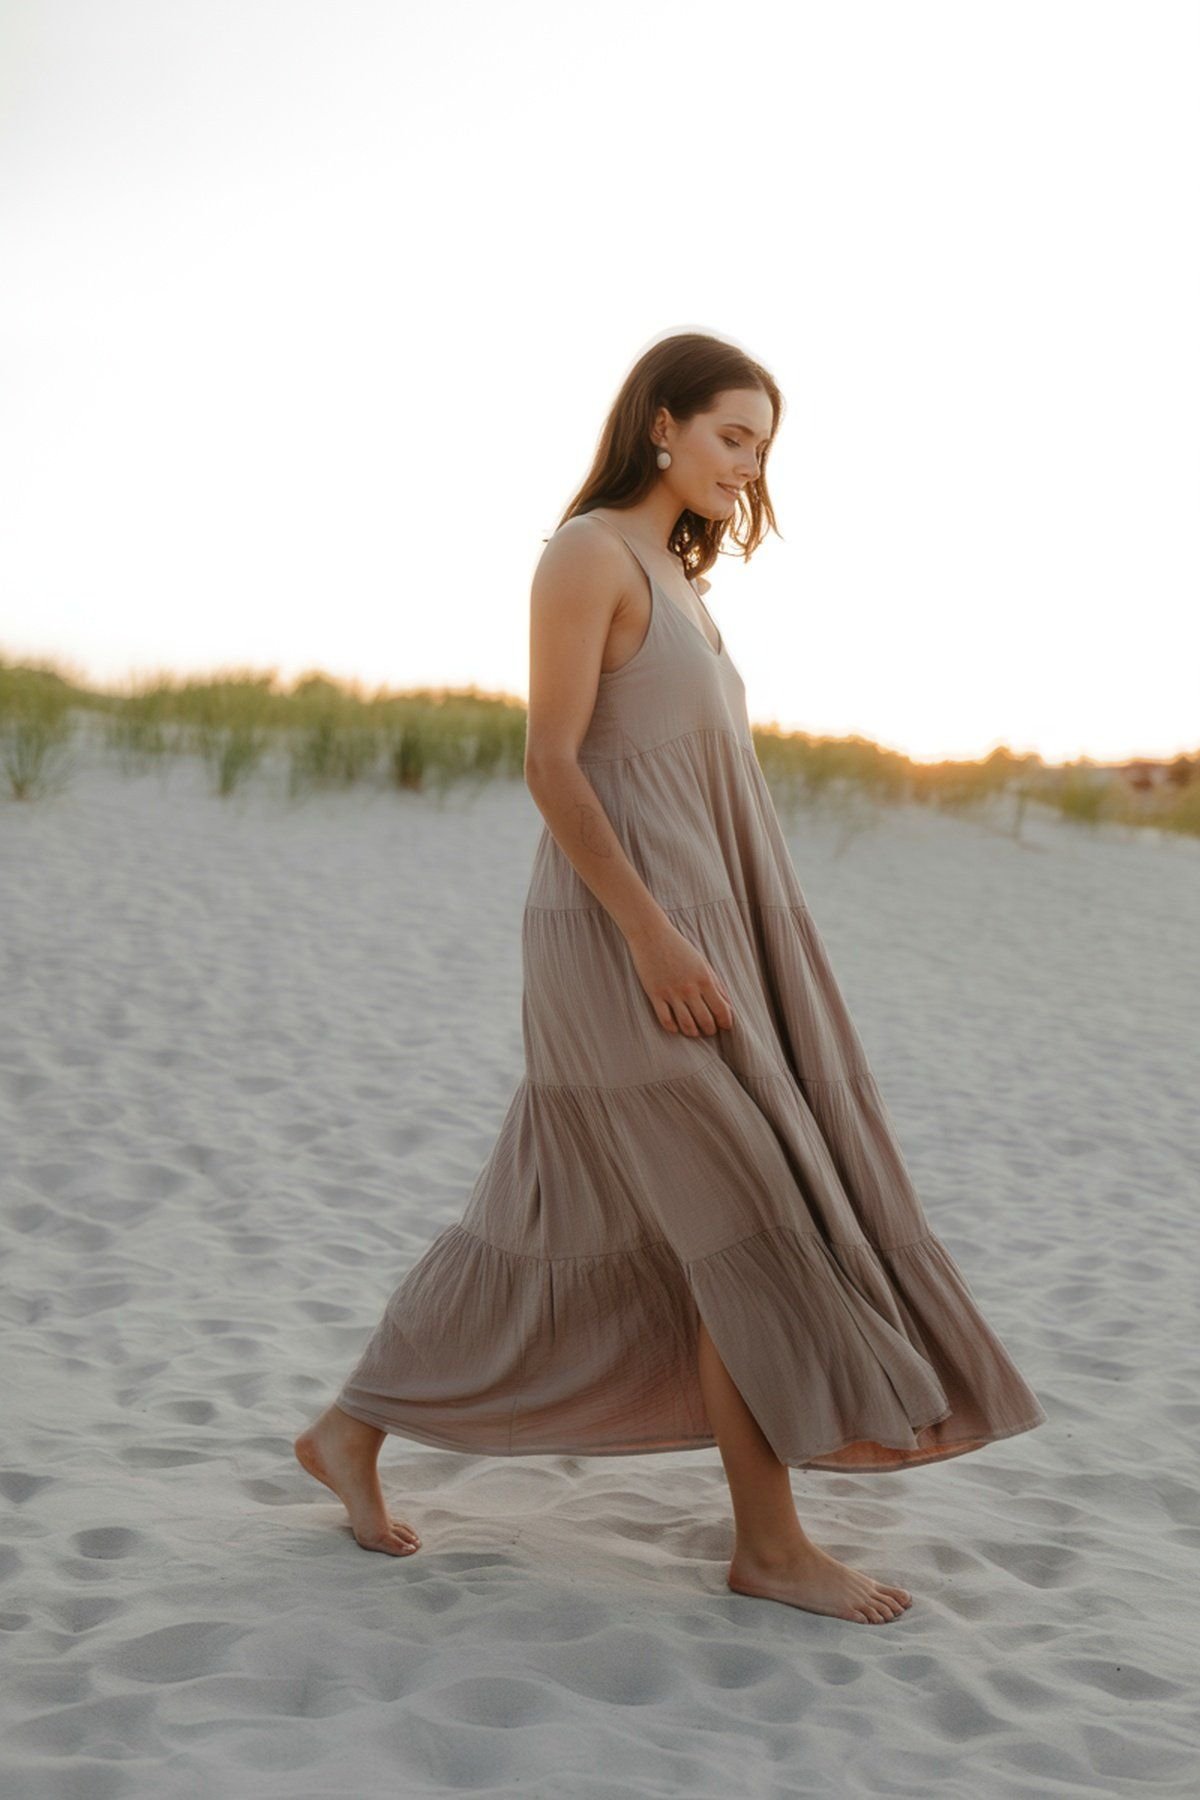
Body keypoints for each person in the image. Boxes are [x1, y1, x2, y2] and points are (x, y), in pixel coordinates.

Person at [295, 330, 1047, 1624]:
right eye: (732, 437)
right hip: (620, 937)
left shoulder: (683, 581)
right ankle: (768, 1546)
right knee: (748, 1214)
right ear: (661, 423)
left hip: (706, 935)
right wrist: (651, 935)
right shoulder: (587, 552)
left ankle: (352, 1428)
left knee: (572, 1219)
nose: (749, 469)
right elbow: (553, 765)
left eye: (764, 449)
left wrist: (734, 937)